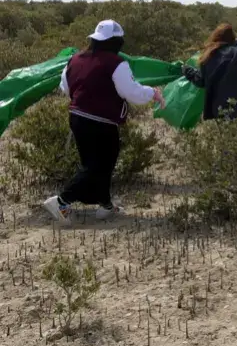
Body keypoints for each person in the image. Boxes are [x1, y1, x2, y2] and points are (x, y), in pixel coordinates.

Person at [43, 20, 166, 224]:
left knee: (95, 163)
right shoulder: (116, 63)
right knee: (98, 165)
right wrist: (152, 92)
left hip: (77, 118)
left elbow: (65, 87)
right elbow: (130, 92)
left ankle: (105, 204)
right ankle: (61, 201)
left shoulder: (75, 59)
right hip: (101, 122)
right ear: (116, 41)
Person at [182, 23, 237, 123]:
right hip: (236, 105)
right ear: (232, 38)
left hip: (216, 108)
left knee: (224, 134)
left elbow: (200, 81)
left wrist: (187, 70)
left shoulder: (208, 55)